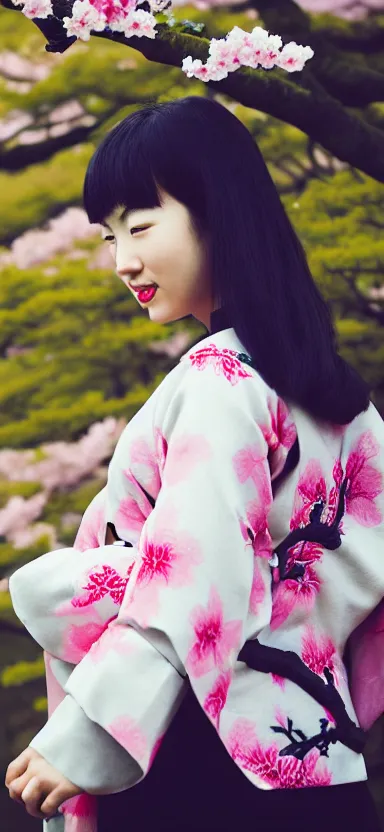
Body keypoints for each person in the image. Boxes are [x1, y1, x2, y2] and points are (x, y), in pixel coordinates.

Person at [5, 96, 384, 832]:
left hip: (200, 759)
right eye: (110, 235)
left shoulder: (221, 379)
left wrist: (85, 738)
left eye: (140, 226)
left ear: (218, 212)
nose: (124, 261)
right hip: (317, 758)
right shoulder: (341, 398)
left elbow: (190, 580)